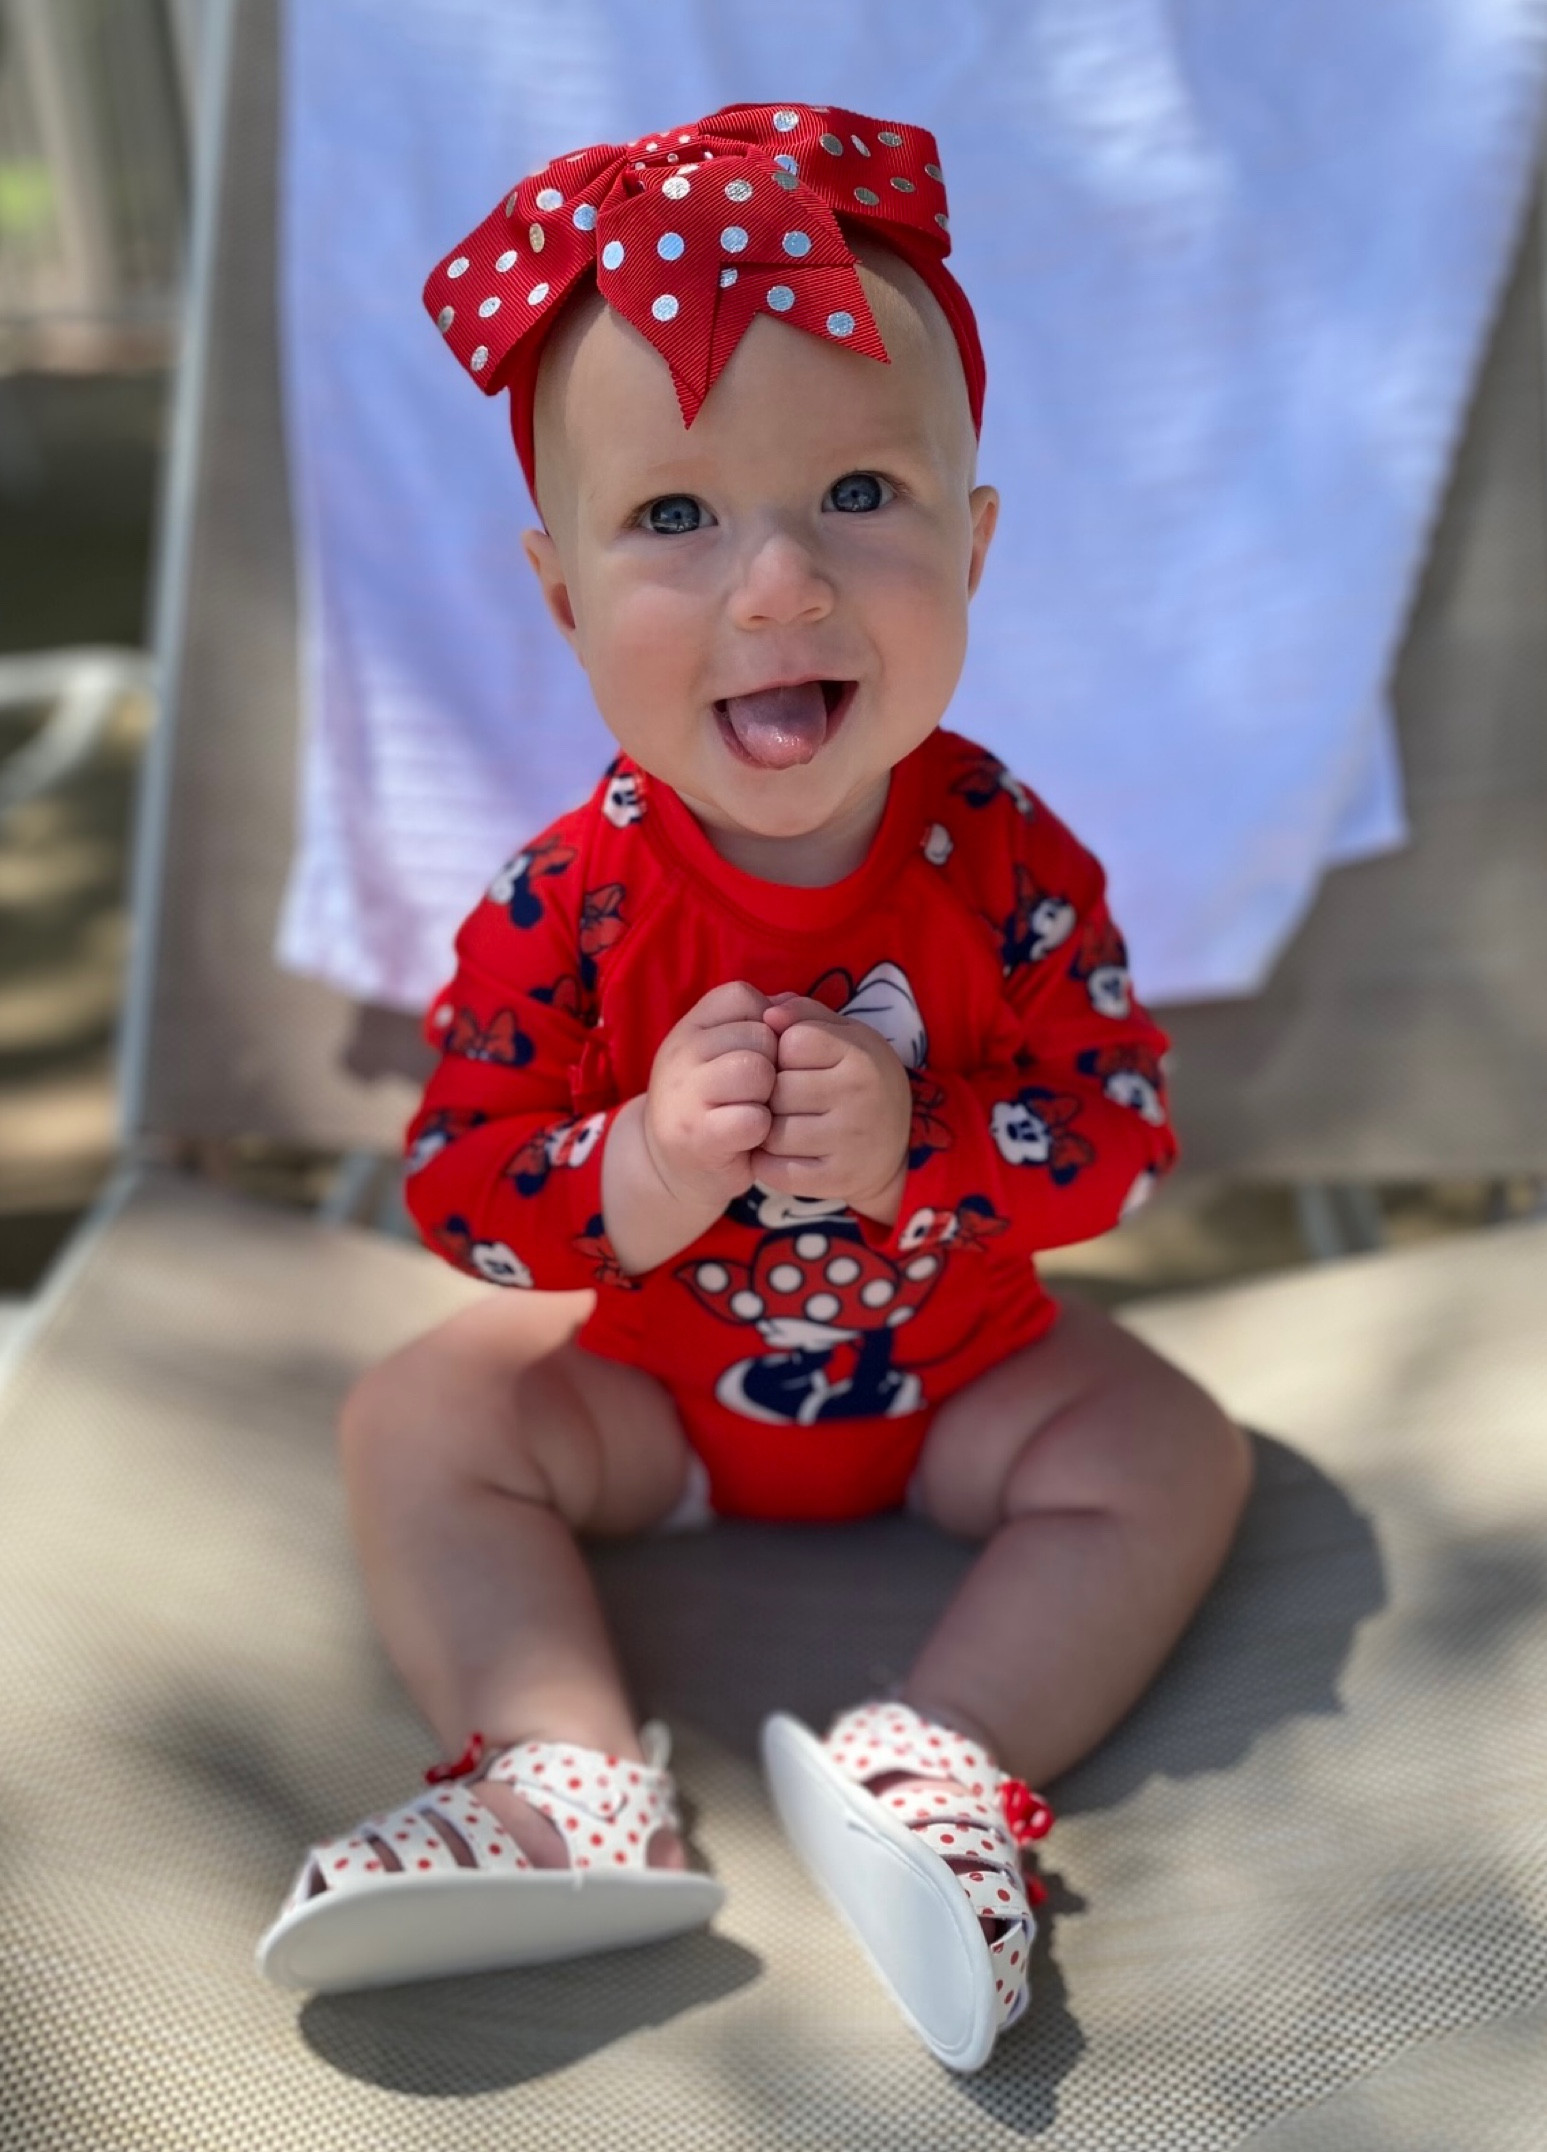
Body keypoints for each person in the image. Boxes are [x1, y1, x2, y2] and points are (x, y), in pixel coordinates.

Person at [257, 102, 1251, 2072]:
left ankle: (936, 1764)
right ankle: (562, 1779)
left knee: (1175, 1449)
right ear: (558, 592)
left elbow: (1121, 1125)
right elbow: (460, 1179)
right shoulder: (571, 898)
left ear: (974, 543)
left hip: (960, 1374)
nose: (781, 583)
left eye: (863, 493)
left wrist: (930, 1142)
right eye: (678, 517)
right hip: (659, 1392)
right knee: (421, 1414)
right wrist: (624, 1169)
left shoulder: (1007, 857)